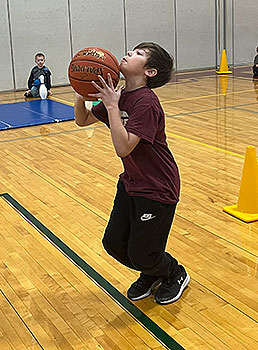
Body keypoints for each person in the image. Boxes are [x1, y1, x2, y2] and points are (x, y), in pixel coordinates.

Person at [74, 42, 190, 305]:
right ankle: (151, 272)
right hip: (131, 183)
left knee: (141, 253)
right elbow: (83, 120)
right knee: (113, 243)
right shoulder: (121, 94)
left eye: (138, 54)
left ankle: (173, 273)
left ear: (149, 72)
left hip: (158, 187)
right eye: (132, 49)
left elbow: (123, 147)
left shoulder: (146, 102)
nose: (128, 53)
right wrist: (81, 92)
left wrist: (113, 107)